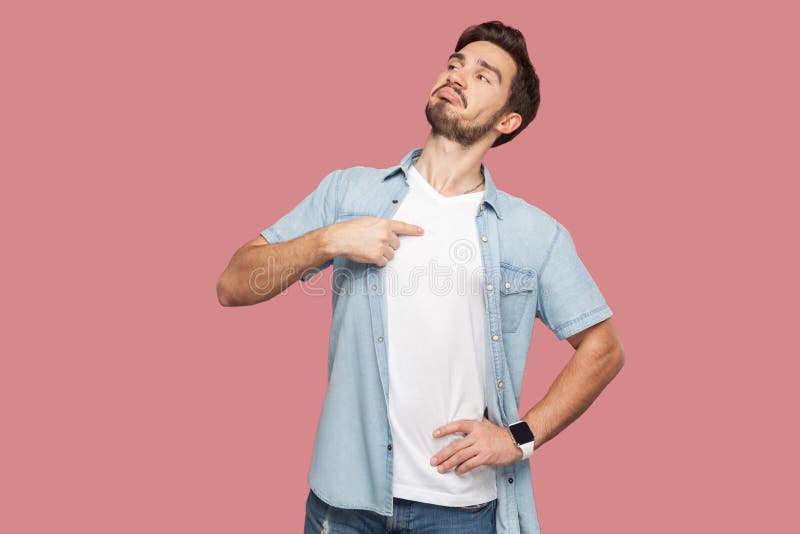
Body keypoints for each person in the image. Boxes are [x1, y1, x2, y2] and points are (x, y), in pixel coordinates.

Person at [216, 20, 624, 534]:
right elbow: (233, 284)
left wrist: (519, 436)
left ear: (508, 121)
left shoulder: (533, 234)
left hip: (462, 511)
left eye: (483, 75)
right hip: (345, 504)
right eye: (454, 64)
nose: (457, 75)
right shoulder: (349, 192)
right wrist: (329, 239)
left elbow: (604, 347)